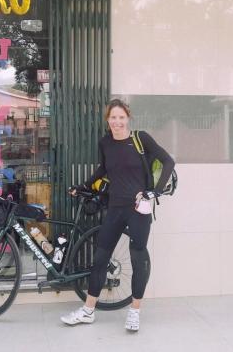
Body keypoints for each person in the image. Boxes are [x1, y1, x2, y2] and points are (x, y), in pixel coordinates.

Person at [61, 99, 175, 331]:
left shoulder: (141, 139)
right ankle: (88, 310)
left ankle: (134, 311)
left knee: (137, 259)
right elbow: (103, 169)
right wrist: (83, 186)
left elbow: (168, 161)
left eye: (121, 117)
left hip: (138, 210)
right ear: (108, 120)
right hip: (114, 208)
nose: (117, 122)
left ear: (128, 118)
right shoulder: (105, 143)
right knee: (100, 258)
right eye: (113, 117)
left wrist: (154, 191)